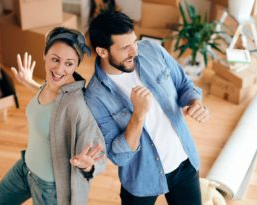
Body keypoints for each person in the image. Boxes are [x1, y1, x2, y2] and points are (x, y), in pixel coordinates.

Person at [84, 11, 210, 205]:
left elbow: (184, 84)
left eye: (134, 42)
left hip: (185, 163)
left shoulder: (151, 49)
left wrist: (195, 103)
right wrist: (139, 114)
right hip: (141, 178)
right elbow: (119, 155)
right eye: (125, 47)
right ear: (102, 51)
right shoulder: (94, 96)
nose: (135, 51)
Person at [0, 27, 106, 205]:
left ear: (76, 66)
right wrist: (30, 83)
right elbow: (52, 107)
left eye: (69, 64)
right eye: (55, 59)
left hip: (49, 186)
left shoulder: (77, 106)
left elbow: (98, 155)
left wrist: (88, 165)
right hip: (25, 167)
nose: (59, 69)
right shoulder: (50, 83)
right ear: (44, 54)